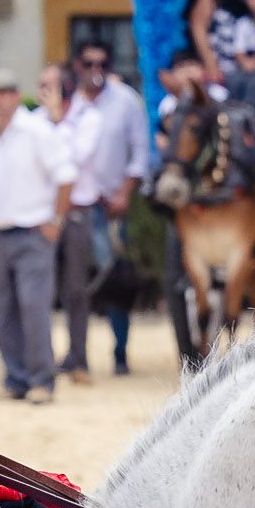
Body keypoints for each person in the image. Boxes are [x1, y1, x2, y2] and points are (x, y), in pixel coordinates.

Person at [0, 67, 74, 405]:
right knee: (4, 308)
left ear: (16, 96)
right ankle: (17, 378)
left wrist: (56, 221)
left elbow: (66, 175)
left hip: (33, 232)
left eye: (4, 92)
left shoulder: (37, 130)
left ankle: (42, 380)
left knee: (34, 307)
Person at [58, 40, 148, 382]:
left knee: (116, 281)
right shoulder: (69, 104)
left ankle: (120, 351)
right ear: (77, 66)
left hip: (111, 207)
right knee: (74, 284)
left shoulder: (126, 102)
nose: (96, 70)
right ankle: (75, 353)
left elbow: (140, 153)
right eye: (88, 63)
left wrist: (125, 193)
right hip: (75, 206)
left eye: (103, 64)